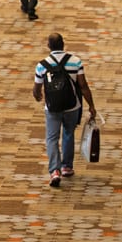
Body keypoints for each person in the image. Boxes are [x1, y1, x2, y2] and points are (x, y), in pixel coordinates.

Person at [33, 33, 97, 187]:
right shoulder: (75, 61)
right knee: (68, 133)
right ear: (63, 44)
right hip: (72, 106)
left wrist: (38, 96)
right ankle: (67, 167)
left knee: (52, 138)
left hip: (52, 108)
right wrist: (91, 105)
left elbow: (37, 89)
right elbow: (83, 86)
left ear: (49, 46)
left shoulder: (42, 65)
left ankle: (54, 171)